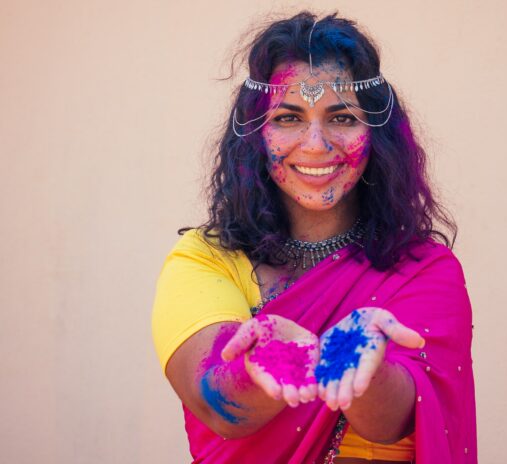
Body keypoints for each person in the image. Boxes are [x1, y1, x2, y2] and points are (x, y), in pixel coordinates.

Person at [151, 11, 477, 464]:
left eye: (341, 117)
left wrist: (359, 358)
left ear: (376, 133)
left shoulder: (423, 269)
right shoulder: (204, 260)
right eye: (288, 118)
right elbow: (218, 406)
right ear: (255, 135)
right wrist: (275, 357)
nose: (316, 144)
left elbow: (394, 421)